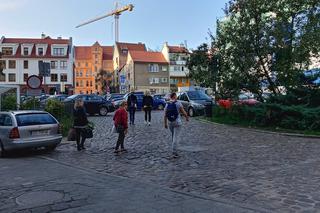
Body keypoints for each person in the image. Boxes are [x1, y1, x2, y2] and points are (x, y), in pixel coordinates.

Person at [164, 92, 189, 158]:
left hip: (170, 122)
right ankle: (174, 152)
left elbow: (165, 115)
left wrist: (165, 123)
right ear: (174, 96)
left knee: (173, 136)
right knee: (176, 137)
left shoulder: (167, 104)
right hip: (177, 122)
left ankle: (174, 148)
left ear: (170, 97)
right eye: (176, 96)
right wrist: (186, 117)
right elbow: (183, 111)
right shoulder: (178, 103)